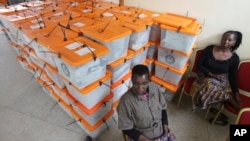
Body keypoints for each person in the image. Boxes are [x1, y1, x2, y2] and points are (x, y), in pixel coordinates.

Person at [117, 65, 175, 141]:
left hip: (162, 131)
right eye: (136, 83)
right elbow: (126, 128)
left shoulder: (154, 87)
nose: (140, 88)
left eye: (144, 83)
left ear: (149, 80)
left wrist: (166, 131)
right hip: (144, 138)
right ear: (131, 80)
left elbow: (163, 108)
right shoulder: (126, 101)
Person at [190, 30, 242, 112]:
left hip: (221, 81)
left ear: (234, 42)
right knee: (209, 84)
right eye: (224, 39)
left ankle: (229, 97)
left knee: (209, 86)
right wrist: (212, 75)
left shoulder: (234, 58)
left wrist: (236, 93)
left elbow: (233, 76)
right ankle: (228, 97)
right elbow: (199, 64)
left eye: (229, 40)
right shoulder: (209, 49)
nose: (226, 42)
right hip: (204, 76)